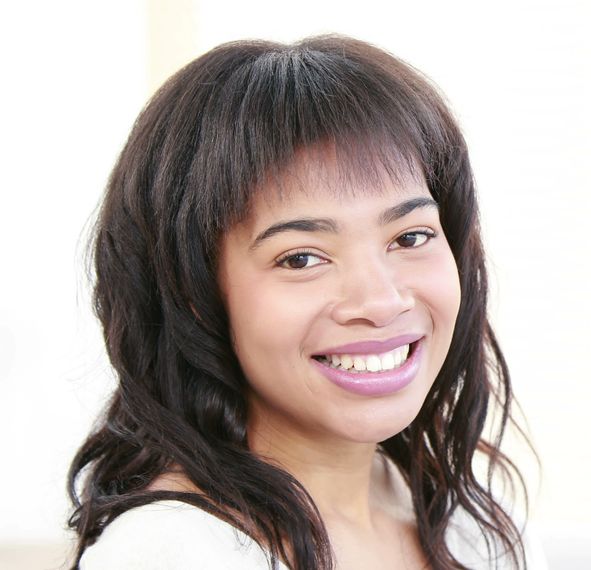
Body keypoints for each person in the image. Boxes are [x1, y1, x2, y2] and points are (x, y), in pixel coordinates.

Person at [66, 34, 542, 570]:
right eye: (301, 258)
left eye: (409, 238)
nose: (381, 301)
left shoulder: (475, 526)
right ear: (193, 295)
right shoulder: (173, 553)